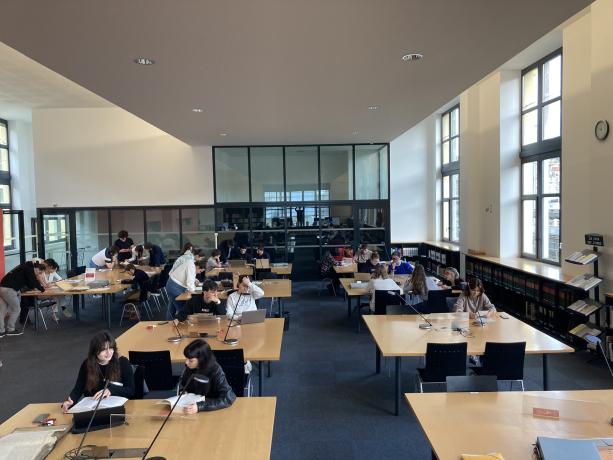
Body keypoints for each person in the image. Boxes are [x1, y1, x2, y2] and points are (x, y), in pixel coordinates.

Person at [61, 331, 135, 413]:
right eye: (104, 350)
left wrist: (111, 390)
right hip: (94, 410)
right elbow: (79, 388)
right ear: (95, 351)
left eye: (111, 348)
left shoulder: (123, 362)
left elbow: (130, 390)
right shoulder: (87, 364)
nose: (109, 353)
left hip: (119, 409)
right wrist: (70, 401)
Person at [180, 339, 236, 414]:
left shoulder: (216, 370)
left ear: (201, 360)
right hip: (192, 408)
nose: (186, 363)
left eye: (191, 360)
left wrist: (200, 406)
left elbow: (228, 398)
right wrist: (184, 392)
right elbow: (185, 385)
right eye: (186, 359)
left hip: (213, 410)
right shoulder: (191, 367)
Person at [0, 260, 46, 336]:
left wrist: (35, 287)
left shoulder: (24, 268)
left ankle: (1, 331)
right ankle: (10, 329)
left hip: (2, 287)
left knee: (2, 311)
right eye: (40, 273)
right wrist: (42, 289)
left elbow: (29, 282)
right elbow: (33, 281)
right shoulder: (30, 270)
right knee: (16, 309)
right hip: (9, 290)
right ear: (37, 269)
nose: (39, 275)